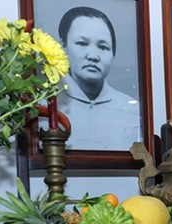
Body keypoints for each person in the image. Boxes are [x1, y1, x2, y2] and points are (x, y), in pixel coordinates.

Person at [57, 6, 140, 151]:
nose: (93, 56)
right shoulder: (45, 107)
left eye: (103, 47)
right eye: (82, 44)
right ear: (63, 46)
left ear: (113, 55)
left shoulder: (133, 111)